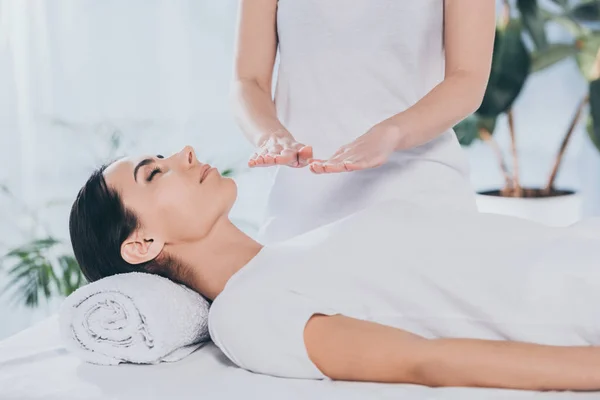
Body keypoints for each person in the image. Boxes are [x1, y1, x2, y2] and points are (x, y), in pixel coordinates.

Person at [70, 146, 600, 391]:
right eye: (154, 173)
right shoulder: (244, 314)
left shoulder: (293, 251)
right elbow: (427, 363)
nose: (184, 153)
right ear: (142, 244)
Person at [231, 0, 495, 243]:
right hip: (302, 213)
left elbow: (467, 78)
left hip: (422, 199)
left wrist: (392, 132)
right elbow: (248, 81)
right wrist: (270, 136)